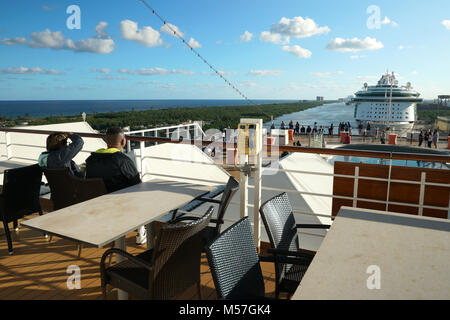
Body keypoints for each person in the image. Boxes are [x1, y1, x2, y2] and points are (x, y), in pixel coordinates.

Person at [85, 127, 145, 244]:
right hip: (119, 206)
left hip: (97, 206)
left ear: (106, 141)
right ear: (123, 142)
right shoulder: (123, 160)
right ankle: (141, 232)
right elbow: (137, 185)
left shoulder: (91, 159)